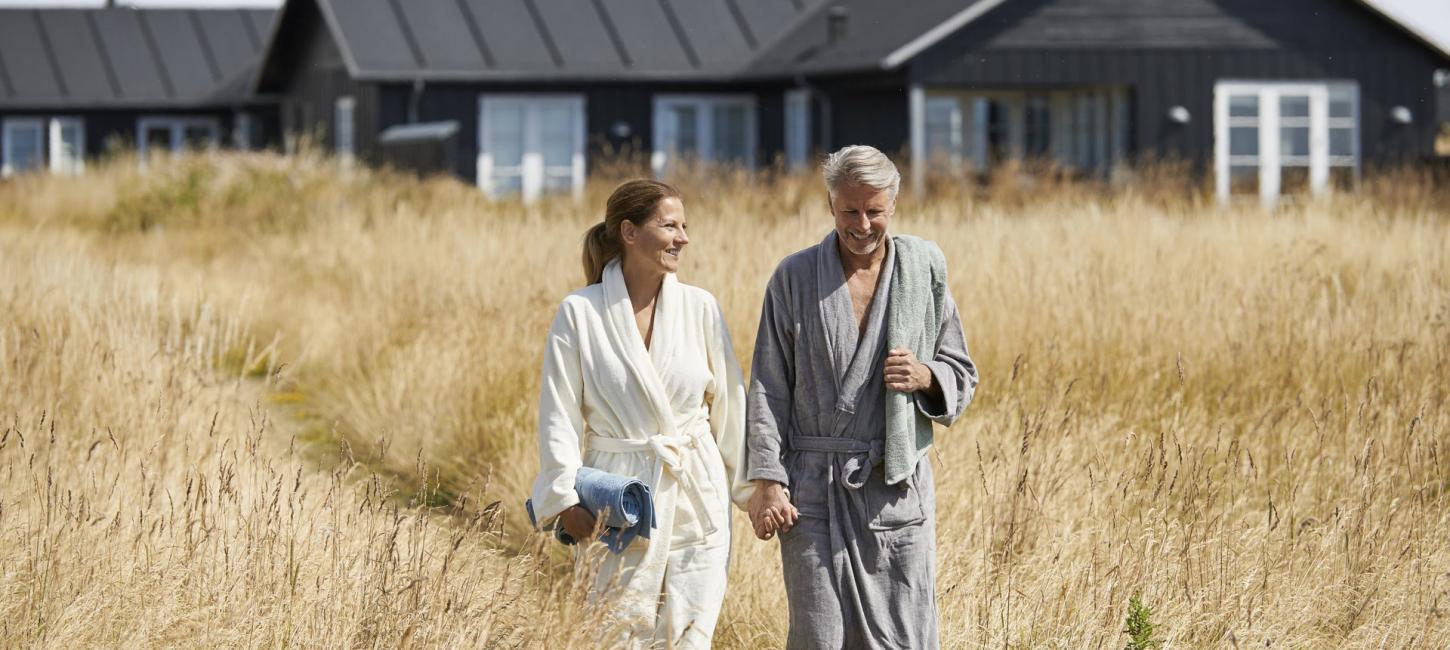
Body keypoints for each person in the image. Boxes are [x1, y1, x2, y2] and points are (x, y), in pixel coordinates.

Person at [745, 145, 979, 649]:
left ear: (893, 205)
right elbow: (767, 385)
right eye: (850, 210)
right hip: (811, 488)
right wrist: (767, 480)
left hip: (893, 486)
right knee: (818, 635)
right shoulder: (795, 277)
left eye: (874, 210)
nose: (863, 224)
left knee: (904, 635)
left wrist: (925, 376)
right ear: (830, 205)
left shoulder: (922, 270)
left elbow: (961, 369)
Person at [529, 179, 753, 648]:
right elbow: (559, 412)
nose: (683, 238)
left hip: (695, 488)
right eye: (669, 225)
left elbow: (732, 407)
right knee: (615, 631)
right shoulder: (579, 313)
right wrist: (564, 496)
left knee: (691, 633)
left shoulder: (701, 308)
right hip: (619, 496)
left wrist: (753, 492)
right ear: (629, 232)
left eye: (684, 226)